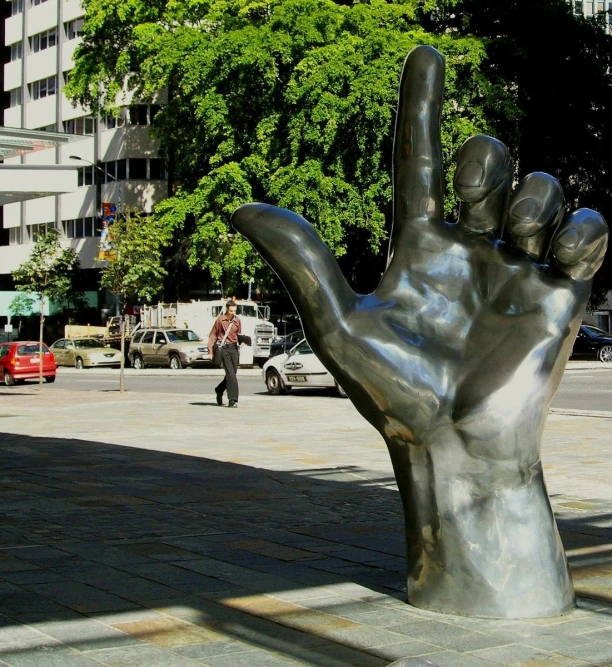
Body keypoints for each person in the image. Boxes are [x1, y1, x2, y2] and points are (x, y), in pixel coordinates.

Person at [208, 300, 242, 408]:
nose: (233, 313)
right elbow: (213, 335)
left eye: (235, 311)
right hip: (224, 349)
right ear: (227, 309)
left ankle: (219, 389)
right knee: (231, 375)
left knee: (232, 374)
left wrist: (244, 341)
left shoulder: (237, 320)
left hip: (234, 349)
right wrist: (210, 351)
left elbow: (238, 334)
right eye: (231, 311)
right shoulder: (220, 320)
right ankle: (233, 400)